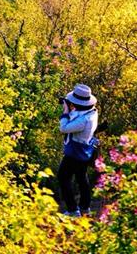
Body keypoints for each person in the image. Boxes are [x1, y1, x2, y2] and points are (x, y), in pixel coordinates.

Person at [57, 84, 98, 217]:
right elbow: (78, 114)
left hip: (75, 152)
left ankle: (73, 210)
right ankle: (85, 208)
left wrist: (65, 112)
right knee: (82, 178)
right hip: (85, 150)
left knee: (63, 177)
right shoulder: (92, 112)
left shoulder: (83, 120)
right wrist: (70, 107)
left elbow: (64, 128)